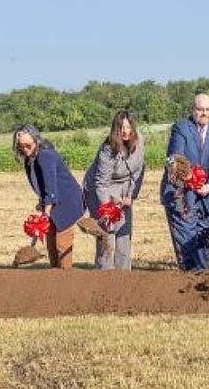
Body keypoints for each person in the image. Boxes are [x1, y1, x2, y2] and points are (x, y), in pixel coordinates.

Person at [162, 94, 209, 271]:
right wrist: (191, 178)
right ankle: (191, 279)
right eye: (200, 109)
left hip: (205, 196)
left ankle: (206, 277)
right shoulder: (181, 128)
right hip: (181, 195)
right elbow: (176, 157)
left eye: (208, 109)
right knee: (187, 242)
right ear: (193, 110)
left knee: (204, 241)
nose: (204, 113)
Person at [14, 124, 85, 269]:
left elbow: (50, 185)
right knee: (51, 241)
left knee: (61, 242)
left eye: (28, 145)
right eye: (20, 146)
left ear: (36, 140)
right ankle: (54, 274)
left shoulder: (45, 155)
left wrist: (46, 210)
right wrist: (43, 202)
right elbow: (41, 184)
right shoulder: (30, 159)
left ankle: (65, 274)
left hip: (67, 202)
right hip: (52, 202)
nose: (24, 149)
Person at [83, 111, 145, 270]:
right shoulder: (108, 149)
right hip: (100, 188)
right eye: (121, 128)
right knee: (108, 232)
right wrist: (107, 208)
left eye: (128, 127)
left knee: (124, 231)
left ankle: (123, 274)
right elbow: (101, 182)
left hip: (124, 186)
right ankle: (105, 272)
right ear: (115, 129)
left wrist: (131, 196)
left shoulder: (138, 140)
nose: (125, 131)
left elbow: (138, 171)